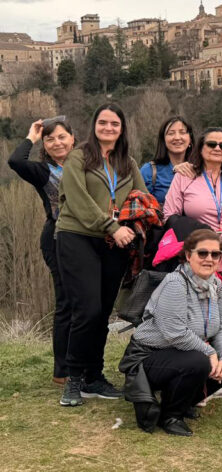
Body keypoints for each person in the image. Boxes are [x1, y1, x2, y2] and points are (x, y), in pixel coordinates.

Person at [55, 103, 146, 407]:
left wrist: (136, 224)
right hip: (78, 236)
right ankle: (74, 378)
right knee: (87, 309)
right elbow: (78, 200)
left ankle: (94, 376)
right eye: (103, 122)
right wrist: (111, 225)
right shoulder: (78, 157)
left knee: (103, 312)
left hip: (115, 244)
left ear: (122, 129)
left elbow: (142, 197)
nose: (108, 128)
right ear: (94, 125)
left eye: (115, 124)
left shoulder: (128, 162)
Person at [119, 229, 222, 436]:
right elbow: (174, 332)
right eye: (202, 253)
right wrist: (210, 353)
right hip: (148, 355)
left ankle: (184, 401)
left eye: (215, 254)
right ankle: (170, 415)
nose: (209, 259)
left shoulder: (217, 286)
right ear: (188, 256)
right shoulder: (175, 283)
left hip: (183, 353)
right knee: (199, 361)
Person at [8, 117, 76, 383]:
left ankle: (82, 363)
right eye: (50, 139)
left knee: (84, 303)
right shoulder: (44, 171)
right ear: (44, 146)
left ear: (72, 138)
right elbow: (15, 161)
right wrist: (31, 136)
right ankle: (62, 370)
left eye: (61, 137)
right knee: (66, 302)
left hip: (85, 239)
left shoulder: (86, 165)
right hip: (57, 238)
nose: (57, 143)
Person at [162, 127, 222, 275]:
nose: (217, 148)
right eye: (211, 144)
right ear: (201, 148)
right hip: (195, 256)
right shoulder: (184, 176)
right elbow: (170, 215)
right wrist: (202, 239)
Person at [139, 116, 194, 206]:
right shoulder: (149, 171)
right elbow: (140, 205)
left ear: (190, 139)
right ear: (163, 140)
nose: (177, 137)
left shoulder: (200, 169)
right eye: (171, 133)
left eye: (182, 132)